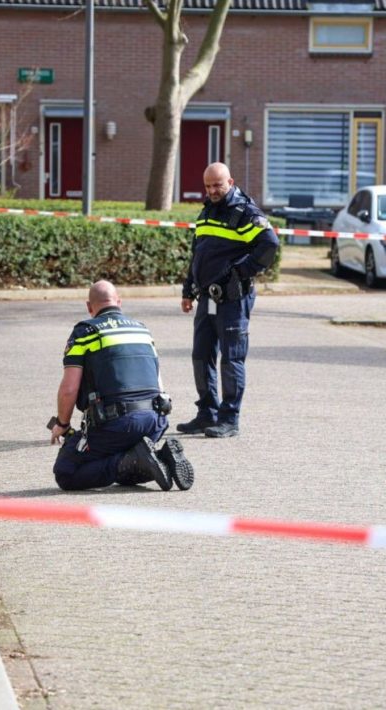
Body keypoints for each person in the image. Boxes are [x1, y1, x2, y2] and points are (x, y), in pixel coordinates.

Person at [50, 281, 194, 491]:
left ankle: (133, 460)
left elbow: (69, 389)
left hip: (115, 425)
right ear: (119, 302)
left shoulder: (85, 332)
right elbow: (158, 381)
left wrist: (62, 424)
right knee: (128, 468)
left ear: (89, 307)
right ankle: (161, 457)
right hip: (154, 422)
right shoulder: (142, 330)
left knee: (67, 473)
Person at [177, 163, 279, 438]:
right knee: (201, 355)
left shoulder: (244, 212)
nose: (212, 191)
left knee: (231, 359)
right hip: (207, 298)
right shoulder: (208, 210)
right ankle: (206, 413)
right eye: (208, 186)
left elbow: (270, 244)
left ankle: (229, 418)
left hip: (233, 299)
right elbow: (198, 254)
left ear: (230, 182)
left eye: (217, 185)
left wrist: (240, 273)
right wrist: (188, 290)